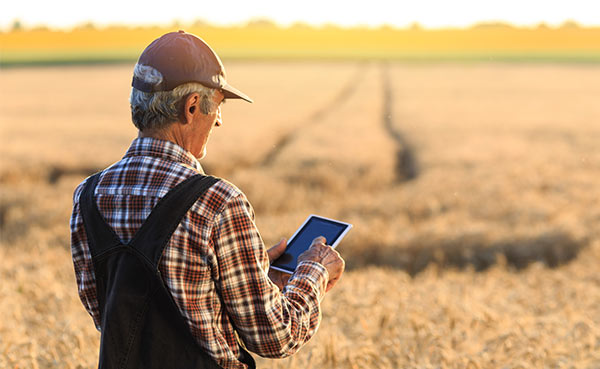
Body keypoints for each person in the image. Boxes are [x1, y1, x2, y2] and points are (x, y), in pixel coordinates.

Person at [70, 30, 345, 369]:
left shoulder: (87, 196)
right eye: (218, 106)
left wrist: (257, 277)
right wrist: (314, 271)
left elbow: (114, 317)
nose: (219, 120)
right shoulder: (217, 202)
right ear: (192, 107)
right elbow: (276, 336)